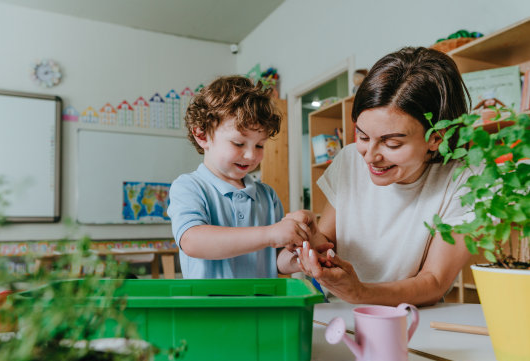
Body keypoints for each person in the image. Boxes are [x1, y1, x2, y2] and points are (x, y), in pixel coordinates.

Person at [285, 47, 480, 306]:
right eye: (363, 136)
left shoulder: (464, 180)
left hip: (410, 320)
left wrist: (360, 293)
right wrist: (312, 240)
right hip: (341, 314)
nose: (369, 156)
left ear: (436, 138)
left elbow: (434, 281)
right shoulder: (349, 159)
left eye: (392, 144)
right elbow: (329, 244)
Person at [168, 75, 313, 279]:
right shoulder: (189, 187)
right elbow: (192, 241)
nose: (252, 155)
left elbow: (275, 260)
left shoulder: (267, 195)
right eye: (238, 143)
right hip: (211, 309)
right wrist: (270, 234)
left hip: (261, 307)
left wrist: (299, 259)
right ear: (202, 136)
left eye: (260, 145)